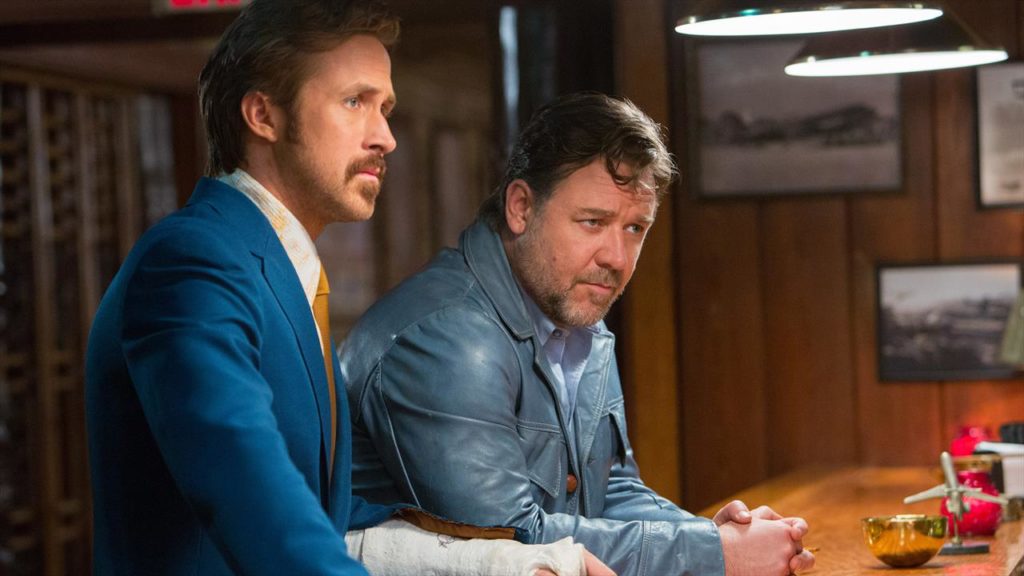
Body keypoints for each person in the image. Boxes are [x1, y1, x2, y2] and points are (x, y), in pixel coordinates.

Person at [85, 1, 609, 574]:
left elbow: (330, 519)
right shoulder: (192, 258)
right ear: (263, 115)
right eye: (355, 101)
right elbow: (255, 503)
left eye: (386, 109)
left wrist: (517, 564)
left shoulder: (286, 271)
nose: (386, 137)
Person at [340, 92, 817, 576]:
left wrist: (713, 536)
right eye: (593, 222)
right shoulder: (449, 338)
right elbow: (510, 543)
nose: (616, 257)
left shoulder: (574, 312)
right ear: (521, 207)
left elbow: (610, 492)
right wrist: (713, 553)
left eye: (635, 228)